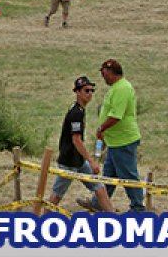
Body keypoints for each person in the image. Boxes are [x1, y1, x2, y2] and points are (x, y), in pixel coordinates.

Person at [46, 77, 114, 213]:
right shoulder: (76, 113)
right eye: (86, 90)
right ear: (77, 92)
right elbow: (76, 140)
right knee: (57, 195)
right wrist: (91, 161)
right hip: (69, 162)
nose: (90, 94)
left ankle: (112, 216)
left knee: (99, 187)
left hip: (79, 161)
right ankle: (43, 218)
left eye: (92, 90)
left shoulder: (80, 110)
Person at [95, 59, 146, 213]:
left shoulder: (122, 88)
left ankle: (137, 208)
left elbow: (116, 116)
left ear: (112, 73)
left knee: (128, 175)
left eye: (104, 74)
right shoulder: (117, 88)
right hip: (115, 141)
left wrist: (101, 128)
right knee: (108, 175)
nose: (103, 78)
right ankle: (98, 202)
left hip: (123, 140)